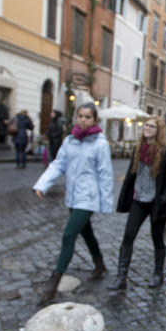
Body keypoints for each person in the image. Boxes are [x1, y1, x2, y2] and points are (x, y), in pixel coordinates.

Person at [33, 103, 113, 303]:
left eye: (88, 116)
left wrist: (105, 203)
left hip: (89, 197)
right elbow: (58, 165)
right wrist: (42, 185)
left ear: (94, 120)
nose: (83, 119)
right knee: (87, 233)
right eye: (80, 116)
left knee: (69, 235)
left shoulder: (100, 144)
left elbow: (106, 174)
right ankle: (100, 264)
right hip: (73, 197)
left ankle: (54, 280)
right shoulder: (69, 141)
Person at [110, 115, 166, 290]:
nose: (147, 128)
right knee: (129, 235)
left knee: (157, 238)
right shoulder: (138, 149)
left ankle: (158, 274)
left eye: (151, 126)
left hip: (157, 203)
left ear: (159, 131)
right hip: (139, 200)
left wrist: (164, 198)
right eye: (146, 125)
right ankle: (121, 277)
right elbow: (132, 175)